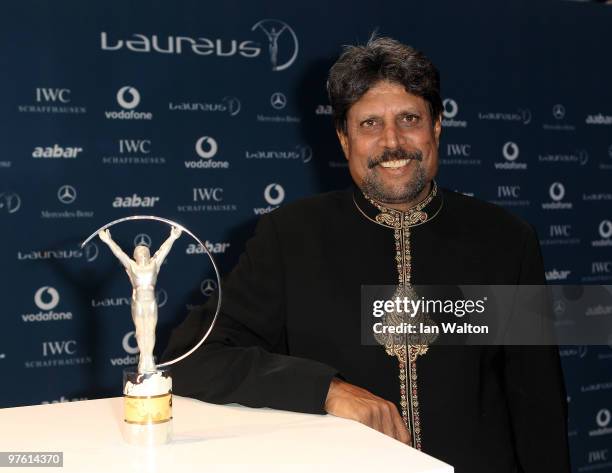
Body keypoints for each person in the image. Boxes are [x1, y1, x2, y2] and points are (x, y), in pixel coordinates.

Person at [163, 37, 570, 473]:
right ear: (343, 139)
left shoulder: (504, 240)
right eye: (370, 124)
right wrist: (327, 389)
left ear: (436, 126)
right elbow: (189, 360)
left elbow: (537, 409)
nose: (392, 142)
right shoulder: (291, 237)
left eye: (409, 119)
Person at [100, 226, 182, 373]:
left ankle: (148, 359)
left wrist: (173, 237)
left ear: (149, 253)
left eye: (144, 250)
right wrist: (108, 240)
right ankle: (143, 359)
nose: (142, 252)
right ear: (135, 255)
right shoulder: (132, 266)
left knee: (150, 330)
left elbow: (163, 250)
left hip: (150, 302)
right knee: (140, 331)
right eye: (138, 251)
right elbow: (119, 253)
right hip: (138, 302)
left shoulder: (154, 264)